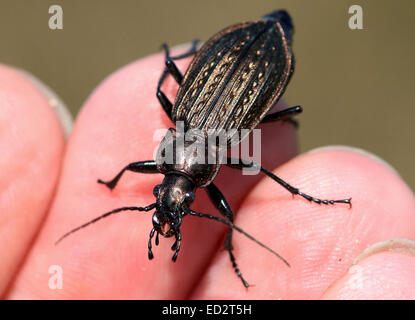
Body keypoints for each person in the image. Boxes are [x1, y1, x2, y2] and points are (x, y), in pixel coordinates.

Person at [1, 46, 415, 299]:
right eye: (178, 203)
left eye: (167, 201)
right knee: (258, 142)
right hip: (234, 64)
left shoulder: (199, 146)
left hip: (256, 61)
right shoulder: (183, 149)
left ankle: (297, 199)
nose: (171, 205)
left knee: (258, 158)